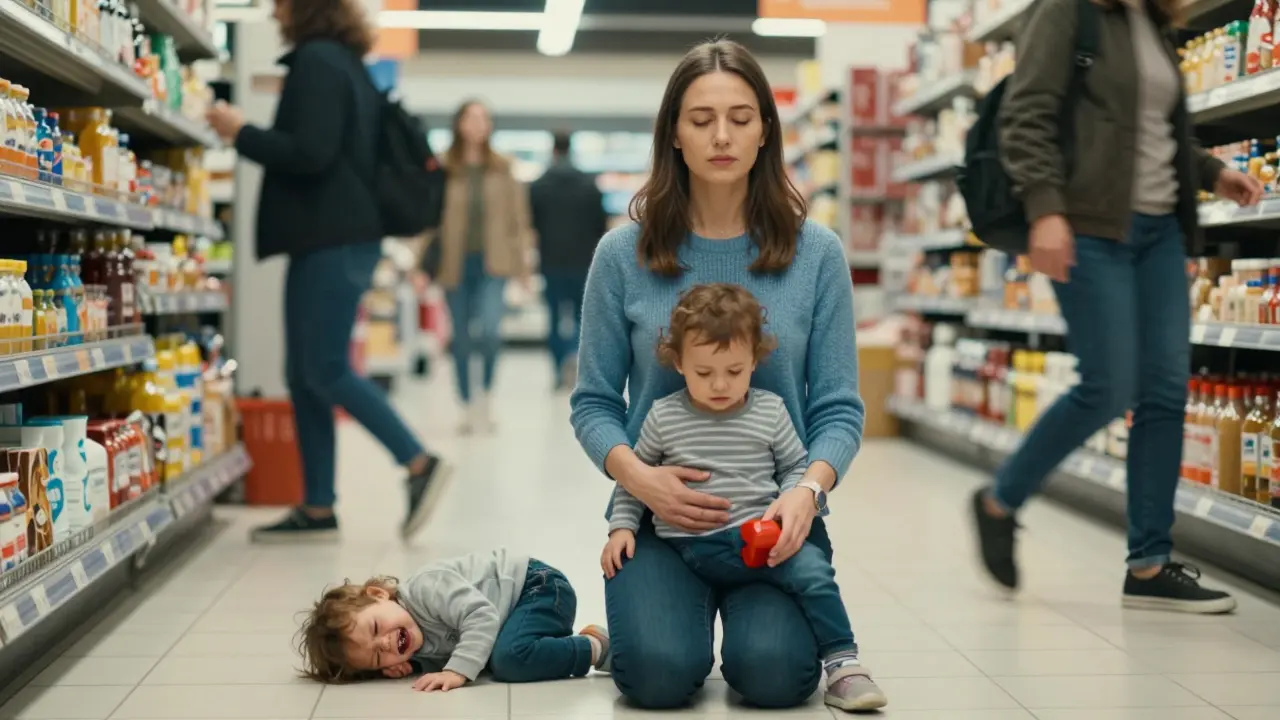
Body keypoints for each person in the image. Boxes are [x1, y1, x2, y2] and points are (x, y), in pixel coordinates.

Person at [569, 39, 867, 710]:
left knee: (775, 677)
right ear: (673, 132)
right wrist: (639, 479)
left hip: (772, 521)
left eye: (740, 116)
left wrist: (808, 495)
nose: (722, 135)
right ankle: (648, 626)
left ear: (767, 128)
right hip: (659, 521)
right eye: (701, 119)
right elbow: (592, 403)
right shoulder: (623, 255)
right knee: (657, 677)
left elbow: (839, 410)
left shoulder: (815, 253)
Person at [975, 0, 1263, 612]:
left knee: (1163, 391)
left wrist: (1212, 171)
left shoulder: (1154, 23)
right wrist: (1046, 208)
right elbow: (1026, 116)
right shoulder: (1067, 11)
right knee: (1108, 384)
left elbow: (1148, 133)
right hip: (1088, 227)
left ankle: (1150, 566)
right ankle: (1001, 496)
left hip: (1159, 231)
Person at [204, 0, 449, 543]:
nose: (274, 13)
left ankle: (417, 461)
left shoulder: (317, 61)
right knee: (305, 374)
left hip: (331, 239)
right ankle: (317, 506)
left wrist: (240, 130)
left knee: (325, 369)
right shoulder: (346, 62)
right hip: (333, 237)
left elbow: (311, 152)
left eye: (281, 4)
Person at [601, 283, 885, 712]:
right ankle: (634, 639)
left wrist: (798, 496)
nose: (719, 384)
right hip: (683, 548)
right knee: (653, 675)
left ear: (755, 360)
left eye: (734, 371)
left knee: (813, 573)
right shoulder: (664, 416)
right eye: (703, 373)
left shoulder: (770, 411)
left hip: (760, 543)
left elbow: (793, 467)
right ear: (678, 363)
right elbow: (635, 479)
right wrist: (621, 527)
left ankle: (844, 664)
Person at [296, 549, 610, 687]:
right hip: (522, 614)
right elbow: (445, 647)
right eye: (379, 657)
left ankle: (593, 646)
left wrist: (457, 671)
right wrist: (416, 666)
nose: (387, 643)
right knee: (503, 657)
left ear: (379, 595)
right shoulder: (412, 642)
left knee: (508, 661)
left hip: (539, 588)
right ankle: (549, 647)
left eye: (377, 627)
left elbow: (482, 616)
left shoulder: (426, 588)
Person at [428, 100, 534, 434]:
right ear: (458, 123)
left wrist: (524, 268)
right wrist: (419, 266)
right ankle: (465, 404)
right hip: (453, 264)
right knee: (460, 337)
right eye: (471, 117)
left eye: (483, 118)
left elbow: (518, 220)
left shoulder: (502, 167)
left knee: (489, 332)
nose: (477, 124)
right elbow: (429, 218)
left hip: (494, 264)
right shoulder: (444, 167)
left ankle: (485, 396)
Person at [529, 130, 609, 390]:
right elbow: (601, 225)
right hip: (583, 262)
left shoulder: (539, 185)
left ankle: (557, 366)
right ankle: (574, 359)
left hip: (551, 261)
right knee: (581, 317)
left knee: (553, 317)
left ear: (553, 151)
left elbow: (533, 225)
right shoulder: (589, 184)